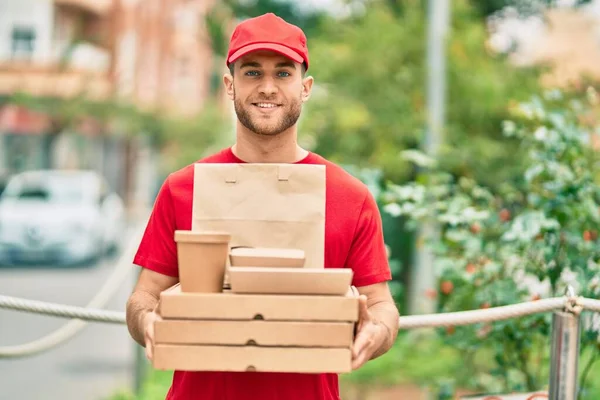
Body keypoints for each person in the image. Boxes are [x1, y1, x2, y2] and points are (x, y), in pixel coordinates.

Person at [126, 12, 400, 400]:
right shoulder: (181, 189)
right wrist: (148, 321)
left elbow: (380, 304)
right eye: (252, 72)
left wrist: (378, 331)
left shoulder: (350, 197)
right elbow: (144, 296)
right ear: (229, 85)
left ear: (305, 88)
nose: (267, 87)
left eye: (283, 73)